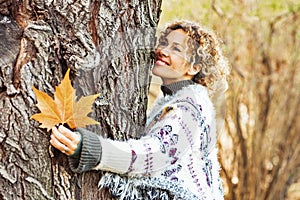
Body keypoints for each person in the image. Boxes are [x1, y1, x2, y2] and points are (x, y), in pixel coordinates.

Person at [50, 20, 230, 200]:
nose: (162, 51)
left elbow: (156, 154)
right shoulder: (174, 99)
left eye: (176, 49)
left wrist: (93, 149)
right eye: (164, 43)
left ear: (194, 67)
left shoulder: (189, 105)